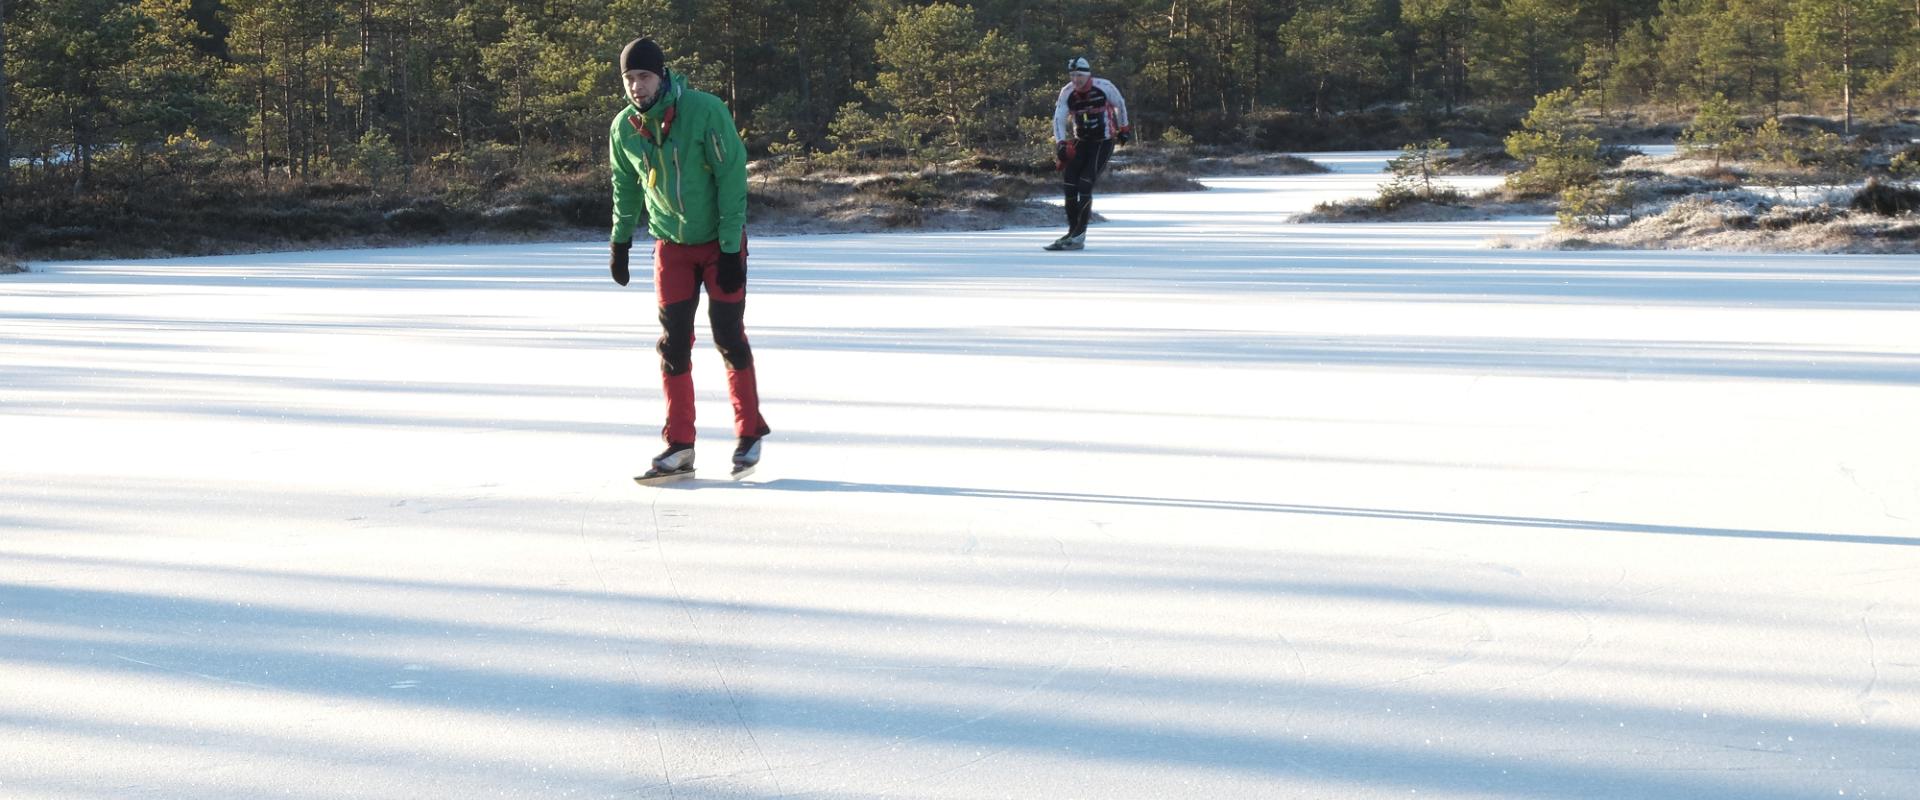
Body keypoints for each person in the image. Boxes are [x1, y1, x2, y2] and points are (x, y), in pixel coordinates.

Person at [607, 37, 769, 480]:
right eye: (629, 79)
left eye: (644, 76)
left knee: (727, 335)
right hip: (671, 248)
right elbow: (625, 187)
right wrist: (620, 242)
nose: (637, 86)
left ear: (662, 75)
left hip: (719, 244)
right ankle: (680, 446)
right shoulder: (624, 128)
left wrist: (732, 247)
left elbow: (732, 176)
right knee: (673, 345)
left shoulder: (704, 110)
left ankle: (749, 433)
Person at [1046, 56, 1130, 251]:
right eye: (1073, 75)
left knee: (1085, 182)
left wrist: (1124, 128)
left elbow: (1120, 105)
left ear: (1087, 74)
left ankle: (1079, 235)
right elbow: (1058, 119)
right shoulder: (1067, 92)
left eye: (1079, 75)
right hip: (1081, 142)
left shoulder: (1104, 86)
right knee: (1069, 182)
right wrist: (1060, 143)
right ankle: (1072, 231)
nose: (1076, 79)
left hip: (1103, 142)